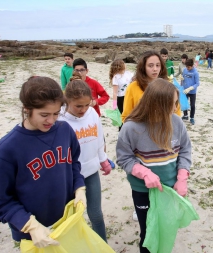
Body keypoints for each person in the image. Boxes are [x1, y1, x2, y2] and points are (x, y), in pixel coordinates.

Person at [0, 76, 86, 248]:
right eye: (44, 115)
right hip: (34, 235)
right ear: (27, 109)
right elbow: (0, 202)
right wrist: (29, 225)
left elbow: (73, 164)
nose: (51, 120)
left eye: (56, 113)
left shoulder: (65, 131)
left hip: (66, 221)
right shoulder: (7, 148)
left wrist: (79, 188)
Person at [116, 78, 192, 253]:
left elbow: (186, 150)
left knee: (166, 226)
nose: (175, 108)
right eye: (172, 104)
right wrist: (143, 173)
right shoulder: (131, 127)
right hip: (143, 190)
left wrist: (182, 177)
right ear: (156, 104)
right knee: (148, 232)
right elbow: (124, 158)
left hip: (170, 188)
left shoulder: (177, 122)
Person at [58, 74, 112, 242]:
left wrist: (102, 159)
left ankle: (103, 245)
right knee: (71, 217)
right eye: (78, 106)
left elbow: (98, 137)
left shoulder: (92, 114)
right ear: (67, 102)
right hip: (67, 177)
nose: (83, 110)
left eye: (86, 105)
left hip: (90, 171)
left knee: (96, 213)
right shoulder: (59, 120)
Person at [121, 50, 182, 123]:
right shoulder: (133, 87)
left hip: (165, 130)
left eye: (158, 65)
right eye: (150, 65)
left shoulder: (168, 85)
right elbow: (126, 117)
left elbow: (176, 113)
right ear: (143, 67)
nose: (155, 69)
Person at [181, 59, 200, 125]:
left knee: (192, 105)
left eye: (188, 67)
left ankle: (192, 117)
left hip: (192, 92)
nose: (187, 68)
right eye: (186, 67)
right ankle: (185, 115)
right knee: (184, 103)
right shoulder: (185, 70)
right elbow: (183, 78)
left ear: (192, 66)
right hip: (185, 90)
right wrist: (181, 82)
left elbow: (197, 83)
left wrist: (191, 88)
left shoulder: (195, 72)